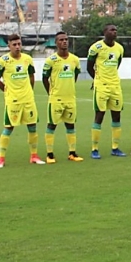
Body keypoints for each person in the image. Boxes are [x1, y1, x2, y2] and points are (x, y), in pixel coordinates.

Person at [0, 34, 45, 168]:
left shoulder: (27, 59)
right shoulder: (2, 61)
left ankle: (34, 156)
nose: (17, 47)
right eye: (14, 44)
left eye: (19, 44)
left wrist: (30, 91)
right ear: (9, 46)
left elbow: (31, 76)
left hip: (28, 99)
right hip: (13, 101)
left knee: (32, 127)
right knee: (8, 128)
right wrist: (6, 90)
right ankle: (1, 158)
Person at [42, 31, 83, 163]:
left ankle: (72, 153)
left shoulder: (75, 60)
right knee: (51, 125)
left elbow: (75, 75)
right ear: (56, 43)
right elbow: (45, 78)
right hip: (56, 99)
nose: (64, 42)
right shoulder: (51, 61)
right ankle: (49, 154)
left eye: (66, 39)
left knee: (70, 126)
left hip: (70, 98)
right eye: (61, 40)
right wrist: (51, 92)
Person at [87, 24, 126, 158]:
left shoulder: (120, 48)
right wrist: (97, 79)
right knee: (100, 115)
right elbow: (89, 67)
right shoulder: (96, 48)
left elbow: (117, 64)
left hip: (115, 86)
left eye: (116, 30)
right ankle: (94, 149)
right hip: (102, 86)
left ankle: (115, 148)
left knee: (117, 116)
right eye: (111, 30)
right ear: (105, 32)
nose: (114, 32)